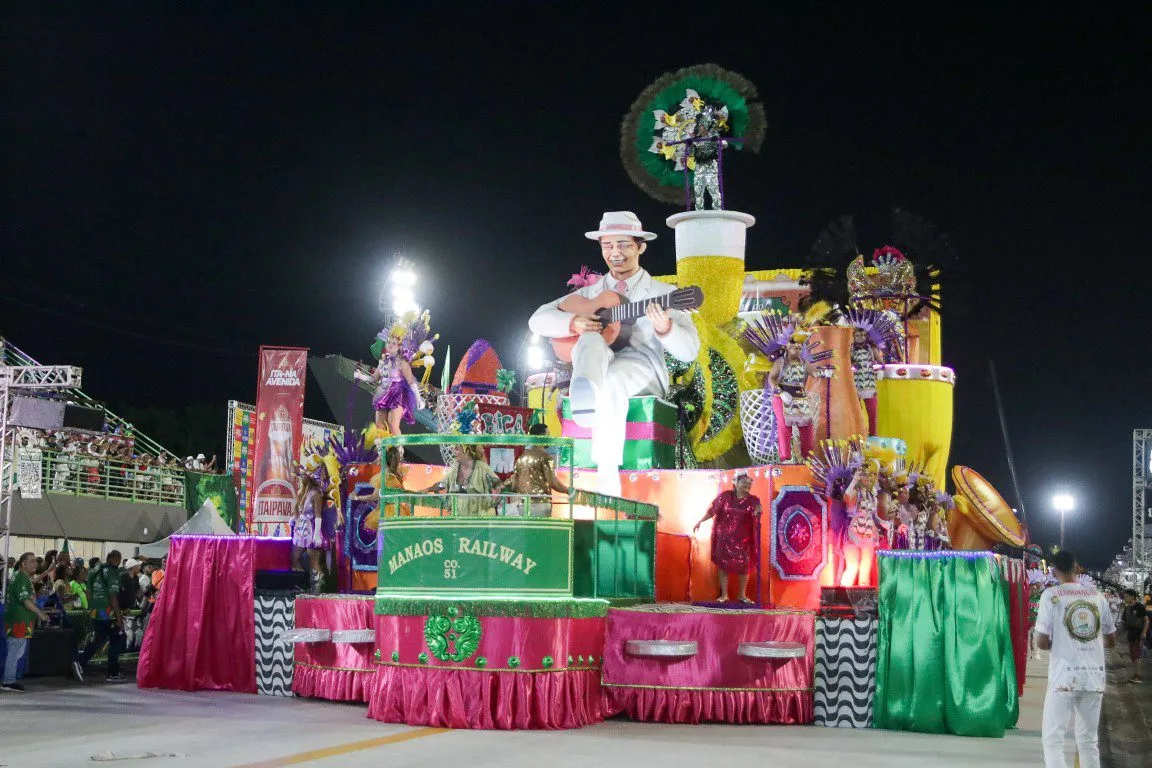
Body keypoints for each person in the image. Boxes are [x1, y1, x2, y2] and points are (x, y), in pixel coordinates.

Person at [528, 211, 700, 496]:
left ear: (640, 246)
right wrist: (573, 322)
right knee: (590, 339)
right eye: (608, 245)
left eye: (623, 244)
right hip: (596, 362)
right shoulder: (591, 294)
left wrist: (667, 329)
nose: (615, 252)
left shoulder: (664, 293)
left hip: (640, 367)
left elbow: (689, 350)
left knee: (613, 381)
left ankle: (607, 478)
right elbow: (536, 319)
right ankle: (585, 390)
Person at [1035, 550, 1116, 768]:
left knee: (1053, 739)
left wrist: (1060, 642)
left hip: (1064, 678)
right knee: (1089, 742)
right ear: (1076, 567)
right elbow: (1111, 640)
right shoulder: (1097, 597)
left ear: (1054, 570)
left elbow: (1041, 642)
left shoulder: (1050, 596)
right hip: (1094, 677)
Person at [693, 472, 762, 603]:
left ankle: (742, 595)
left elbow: (758, 514)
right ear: (735, 483)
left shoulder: (753, 500)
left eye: (749, 482)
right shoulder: (725, 496)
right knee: (723, 565)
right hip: (724, 538)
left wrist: (758, 512)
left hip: (744, 540)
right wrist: (700, 521)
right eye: (744, 482)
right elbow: (713, 511)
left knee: (744, 566)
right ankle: (724, 595)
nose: (747, 485)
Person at [767, 333, 824, 462]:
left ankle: (808, 458)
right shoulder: (780, 362)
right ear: (788, 347)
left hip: (800, 397)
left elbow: (813, 372)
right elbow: (771, 378)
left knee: (807, 427)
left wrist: (823, 372)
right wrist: (780, 392)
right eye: (795, 348)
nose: (797, 351)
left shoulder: (803, 362)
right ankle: (785, 457)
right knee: (784, 427)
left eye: (799, 348)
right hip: (782, 397)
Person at [73, 550, 127, 683]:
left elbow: (88, 591)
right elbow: (113, 596)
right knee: (117, 640)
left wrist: (92, 606)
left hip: (95, 611)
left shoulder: (93, 570)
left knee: (98, 640)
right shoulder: (113, 572)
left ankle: (80, 662)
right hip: (108, 612)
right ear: (117, 559)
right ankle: (112, 672)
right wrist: (119, 616)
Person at [494, 423, 570, 517]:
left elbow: (515, 483)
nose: (550, 439)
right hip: (540, 505)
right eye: (548, 435)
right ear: (541, 436)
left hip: (523, 506)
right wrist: (568, 490)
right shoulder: (545, 457)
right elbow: (553, 483)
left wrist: (502, 486)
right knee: (539, 532)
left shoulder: (522, 458)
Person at [3, 552, 51, 692]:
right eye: (32, 561)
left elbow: (33, 582)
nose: (35, 563)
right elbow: (26, 601)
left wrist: (47, 571)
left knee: (16, 651)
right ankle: (8, 681)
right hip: (19, 621)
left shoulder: (22, 576)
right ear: (23, 564)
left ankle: (9, 679)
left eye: (36, 561)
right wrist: (41, 614)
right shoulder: (21, 578)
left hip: (20, 620)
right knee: (15, 651)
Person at [419, 443, 500, 517]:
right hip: (458, 518)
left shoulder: (482, 467)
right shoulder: (455, 467)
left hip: (479, 519)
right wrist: (426, 490)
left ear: (467, 451)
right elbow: (442, 484)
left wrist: (493, 501)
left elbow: (497, 484)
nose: (453, 451)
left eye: (457, 449)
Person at [290, 473, 327, 593]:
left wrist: (316, 534)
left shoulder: (317, 494)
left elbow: (318, 514)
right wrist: (293, 519)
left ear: (310, 478)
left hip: (312, 529)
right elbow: (300, 511)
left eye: (303, 476)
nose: (301, 478)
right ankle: (301, 585)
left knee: (313, 560)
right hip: (301, 530)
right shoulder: (305, 492)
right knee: (295, 557)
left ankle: (317, 589)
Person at [1120, 589, 1149, 683]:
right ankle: (1136, 674)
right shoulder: (1127, 608)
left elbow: (1146, 620)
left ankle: (1137, 676)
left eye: (1126, 596)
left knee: (1136, 654)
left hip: (1138, 634)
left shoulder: (1140, 607)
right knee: (1133, 654)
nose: (1124, 598)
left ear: (1132, 597)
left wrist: (1144, 632)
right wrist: (1116, 634)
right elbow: (1123, 622)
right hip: (1130, 634)